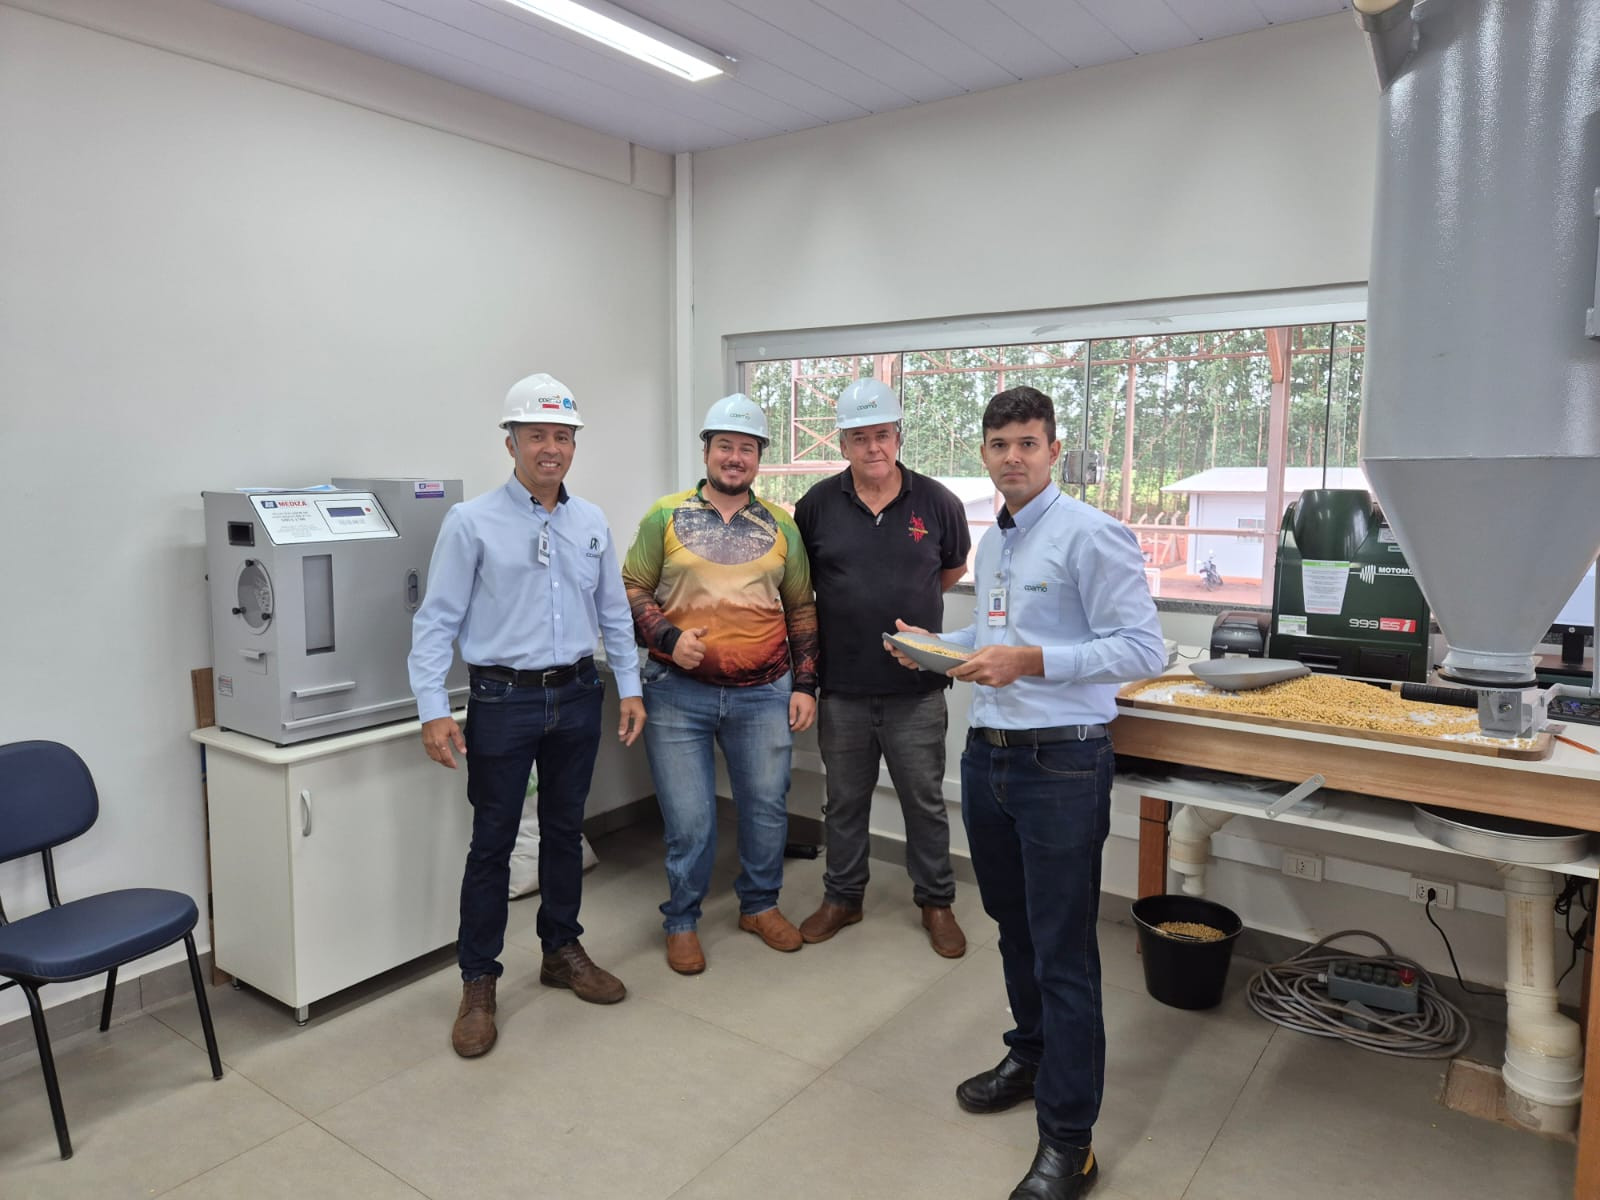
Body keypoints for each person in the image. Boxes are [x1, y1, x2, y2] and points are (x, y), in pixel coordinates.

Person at [889, 386, 1165, 1200]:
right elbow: (996, 637)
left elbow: (1141, 648)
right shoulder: (998, 540)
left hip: (1062, 765)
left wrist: (1032, 662)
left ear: (1053, 451)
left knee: (1063, 951)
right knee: (1013, 929)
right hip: (991, 760)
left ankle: (1069, 1141)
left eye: (1028, 443)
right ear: (984, 452)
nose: (1013, 457)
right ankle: (1032, 1054)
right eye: (1000, 444)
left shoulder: (1090, 534)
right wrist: (940, 645)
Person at [408, 372, 645, 1059]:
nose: (551, 448)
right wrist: (432, 707)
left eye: (562, 436)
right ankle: (478, 980)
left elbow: (613, 614)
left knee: (565, 832)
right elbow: (436, 621)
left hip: (576, 695)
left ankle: (561, 949)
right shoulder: (471, 522)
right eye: (536, 434)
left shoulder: (590, 521)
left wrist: (630, 688)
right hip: (501, 700)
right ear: (510, 443)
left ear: (574, 445)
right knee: (493, 843)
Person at [622, 393, 819, 975]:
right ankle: (682, 920)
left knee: (766, 807)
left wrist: (805, 685)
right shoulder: (664, 516)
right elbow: (631, 589)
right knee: (690, 820)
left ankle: (759, 906)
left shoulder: (782, 525)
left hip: (765, 692)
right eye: (725, 446)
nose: (735, 457)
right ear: (706, 451)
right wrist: (667, 637)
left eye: (747, 448)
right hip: (677, 693)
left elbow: (801, 608)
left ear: (759, 457)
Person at [792, 378, 971, 957]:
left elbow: (949, 570)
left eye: (883, 435)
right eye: (860, 437)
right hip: (842, 688)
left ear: (898, 437)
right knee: (844, 801)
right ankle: (843, 897)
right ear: (843, 443)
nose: (874, 447)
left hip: (916, 688)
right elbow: (803, 583)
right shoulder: (816, 505)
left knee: (924, 801)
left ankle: (936, 902)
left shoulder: (937, 502)